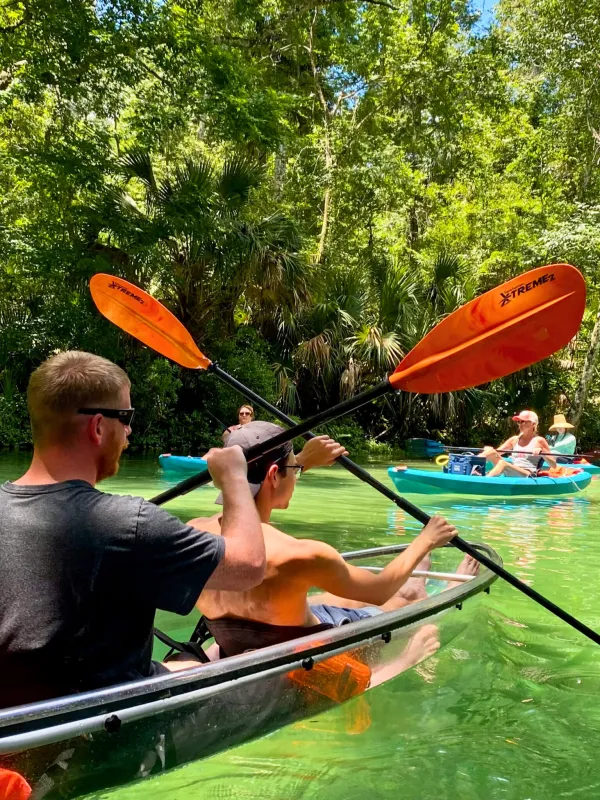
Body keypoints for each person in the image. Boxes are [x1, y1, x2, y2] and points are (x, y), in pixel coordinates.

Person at [0, 351, 268, 709]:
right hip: (103, 729)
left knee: (188, 661)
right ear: (97, 427)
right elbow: (249, 565)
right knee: (276, 681)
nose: (128, 432)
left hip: (22, 715)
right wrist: (234, 478)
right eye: (126, 418)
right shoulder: (130, 523)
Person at [189, 422, 478, 658]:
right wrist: (425, 540)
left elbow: (256, 487)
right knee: (386, 601)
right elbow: (379, 589)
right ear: (274, 476)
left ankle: (412, 586)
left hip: (242, 635)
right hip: (307, 644)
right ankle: (419, 596)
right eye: (294, 469)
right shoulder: (299, 555)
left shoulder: (194, 534)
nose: (297, 474)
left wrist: (300, 461)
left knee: (328, 593)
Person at [481, 410, 557, 478]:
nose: (520, 424)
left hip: (528, 474)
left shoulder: (539, 440)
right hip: (513, 470)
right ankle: (471, 470)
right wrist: (490, 450)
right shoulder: (514, 439)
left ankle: (484, 482)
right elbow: (496, 452)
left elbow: (553, 465)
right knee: (490, 452)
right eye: (519, 422)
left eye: (523, 421)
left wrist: (542, 453)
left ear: (533, 424)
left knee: (502, 463)